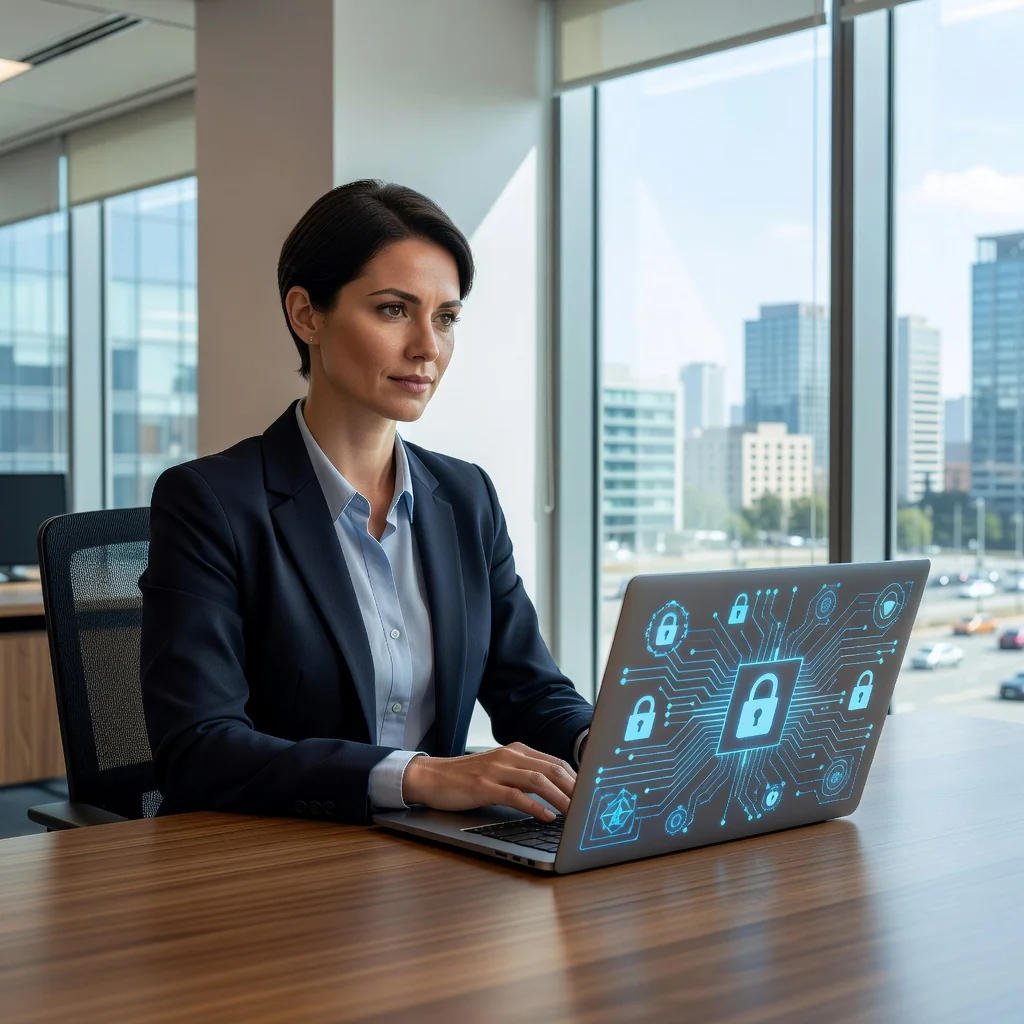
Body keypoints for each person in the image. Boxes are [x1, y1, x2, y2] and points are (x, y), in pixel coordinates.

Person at [140, 180, 593, 825]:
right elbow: (200, 747)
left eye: (445, 317)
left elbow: (531, 691)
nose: (427, 348)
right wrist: (421, 776)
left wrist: (603, 748)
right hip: (278, 863)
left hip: (438, 861)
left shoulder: (466, 498)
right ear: (307, 315)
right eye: (392, 310)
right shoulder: (209, 502)